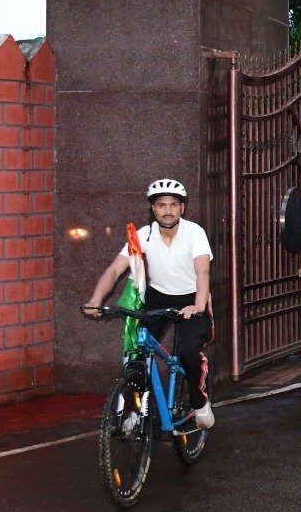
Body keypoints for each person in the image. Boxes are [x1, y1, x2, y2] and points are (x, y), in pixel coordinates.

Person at [83, 179, 216, 428]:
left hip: (191, 296)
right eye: (161, 205)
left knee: (188, 351)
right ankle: (134, 410)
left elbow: (202, 273)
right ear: (152, 209)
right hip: (158, 297)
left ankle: (200, 402)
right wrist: (96, 299)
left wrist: (197, 306)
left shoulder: (194, 233)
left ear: (182, 208)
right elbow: (114, 270)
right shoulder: (143, 235)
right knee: (137, 354)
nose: (168, 210)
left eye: (173, 205)